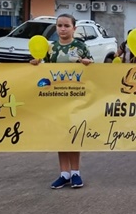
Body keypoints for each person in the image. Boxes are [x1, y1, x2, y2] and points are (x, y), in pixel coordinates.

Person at [31, 14, 93, 190]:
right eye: (59, 25)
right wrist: (36, 64)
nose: (63, 29)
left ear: (74, 28)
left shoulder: (80, 47)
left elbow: (94, 71)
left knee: (73, 134)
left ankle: (75, 172)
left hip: (75, 99)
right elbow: (45, 71)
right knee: (60, 135)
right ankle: (63, 173)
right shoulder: (51, 49)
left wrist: (88, 64)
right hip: (56, 100)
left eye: (66, 25)